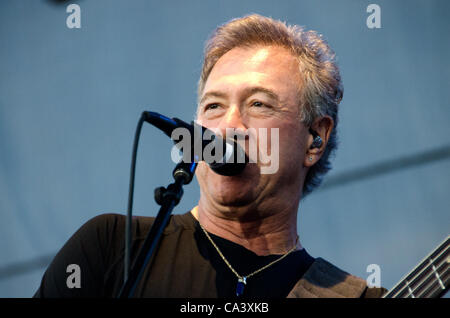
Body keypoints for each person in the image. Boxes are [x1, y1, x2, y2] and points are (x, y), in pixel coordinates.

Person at [34, 14, 386, 298]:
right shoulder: (113, 249)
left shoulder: (351, 295)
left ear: (314, 139)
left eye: (259, 104)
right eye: (213, 106)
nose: (228, 125)